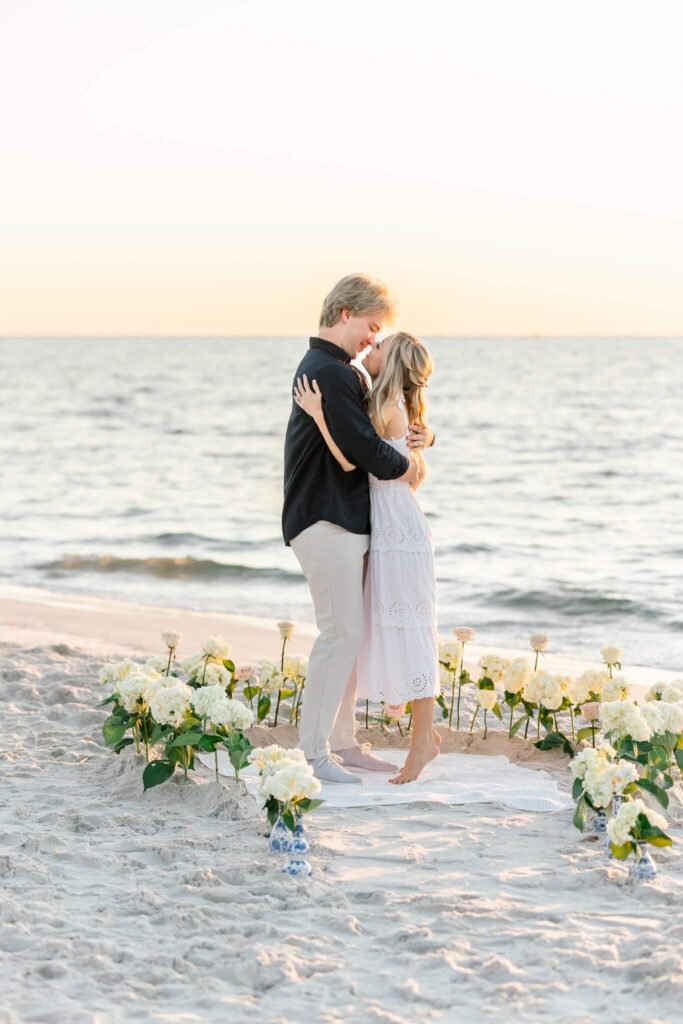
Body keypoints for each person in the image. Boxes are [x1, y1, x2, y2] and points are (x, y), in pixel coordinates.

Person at [282, 274, 433, 784]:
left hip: (345, 520)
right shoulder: (332, 372)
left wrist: (422, 442)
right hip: (326, 520)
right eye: (371, 327)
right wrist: (411, 467)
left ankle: (343, 743)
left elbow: (382, 432)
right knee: (340, 633)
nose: (372, 338)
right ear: (345, 313)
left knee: (351, 634)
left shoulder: (339, 372)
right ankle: (315, 753)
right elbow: (361, 454)